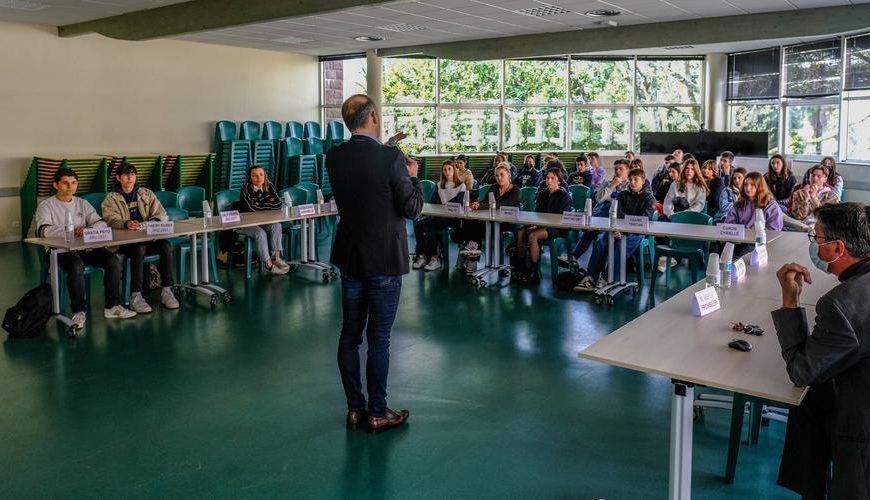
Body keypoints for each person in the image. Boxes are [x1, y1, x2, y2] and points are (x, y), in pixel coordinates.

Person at [326, 94, 423, 433]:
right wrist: (413, 176)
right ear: (375, 117)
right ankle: (379, 412)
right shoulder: (392, 159)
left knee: (350, 334)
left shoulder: (334, 157)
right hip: (383, 260)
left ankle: (355, 409)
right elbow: (411, 209)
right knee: (379, 337)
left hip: (350, 257)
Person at [772, 202, 870, 498]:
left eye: (817, 238)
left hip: (862, 426)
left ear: (838, 249)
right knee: (811, 404)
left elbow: (802, 369)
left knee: (808, 396)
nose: (813, 245)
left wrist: (790, 301)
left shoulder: (840, 304)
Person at [33, 168, 136, 329]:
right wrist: (72, 230)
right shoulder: (46, 205)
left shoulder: (82, 203)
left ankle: (112, 306)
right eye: (65, 183)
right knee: (76, 265)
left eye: (73, 183)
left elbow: (100, 222)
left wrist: (89, 230)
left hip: (84, 247)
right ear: (55, 185)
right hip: (58, 251)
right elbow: (44, 230)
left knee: (112, 260)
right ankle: (79, 310)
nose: (70, 186)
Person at [102, 162, 179, 313]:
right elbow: (109, 218)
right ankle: (136, 295)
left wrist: (153, 223)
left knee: (166, 246)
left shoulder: (146, 193)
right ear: (118, 177)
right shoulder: (110, 198)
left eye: (133, 174)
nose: (130, 177)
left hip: (148, 237)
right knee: (139, 248)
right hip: (125, 242)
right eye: (126, 174)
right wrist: (125, 223)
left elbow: (160, 213)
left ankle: (167, 290)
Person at [575, 168, 655, 292]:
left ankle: (608, 279)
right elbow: (618, 215)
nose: (632, 182)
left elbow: (643, 219)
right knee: (600, 241)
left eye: (636, 179)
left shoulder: (649, 198)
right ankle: (590, 277)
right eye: (630, 180)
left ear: (643, 181)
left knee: (619, 246)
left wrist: (623, 232)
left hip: (637, 233)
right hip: (618, 230)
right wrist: (617, 230)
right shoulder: (623, 195)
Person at [457, 163, 520, 274]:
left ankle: (470, 256)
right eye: (496, 175)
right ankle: (467, 249)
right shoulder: (494, 187)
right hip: (491, 220)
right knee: (468, 221)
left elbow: (502, 205)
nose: (499, 178)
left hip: (506, 222)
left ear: (509, 175)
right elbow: (485, 202)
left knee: (476, 227)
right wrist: (477, 204)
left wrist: (481, 206)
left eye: (502, 175)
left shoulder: (516, 191)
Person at [513, 168, 571, 284]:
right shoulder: (542, 194)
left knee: (533, 235)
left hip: (557, 228)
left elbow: (558, 218)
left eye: (552, 178)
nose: (549, 181)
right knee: (520, 232)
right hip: (540, 225)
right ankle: (522, 267)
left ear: (559, 181)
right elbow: (537, 213)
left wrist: (539, 226)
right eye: (547, 178)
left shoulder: (564, 195)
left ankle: (534, 271)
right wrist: (534, 224)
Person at [413, 160, 466, 272]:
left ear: (454, 170)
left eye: (449, 169)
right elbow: (433, 203)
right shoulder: (439, 186)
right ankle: (421, 256)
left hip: (452, 219)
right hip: (438, 217)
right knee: (419, 225)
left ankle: (434, 258)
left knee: (430, 225)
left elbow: (458, 204)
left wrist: (443, 206)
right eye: (445, 170)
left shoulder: (461, 186)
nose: (447, 172)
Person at [237, 165, 289, 275]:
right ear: (250, 178)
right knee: (260, 233)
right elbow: (252, 208)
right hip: (245, 224)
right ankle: (268, 264)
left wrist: (261, 204)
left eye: (261, 174)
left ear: (265, 175)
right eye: (254, 176)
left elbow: (278, 204)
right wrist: (268, 203)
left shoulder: (268, 185)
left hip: (263, 222)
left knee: (277, 225)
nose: (259, 178)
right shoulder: (245, 189)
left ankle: (276, 257)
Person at [786, 164, 839, 230]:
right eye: (813, 175)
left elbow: (825, 217)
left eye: (819, 176)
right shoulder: (798, 193)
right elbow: (798, 216)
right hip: (802, 225)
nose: (815, 178)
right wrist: (806, 197)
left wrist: (814, 198)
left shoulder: (832, 196)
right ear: (809, 177)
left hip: (821, 227)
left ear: (825, 179)